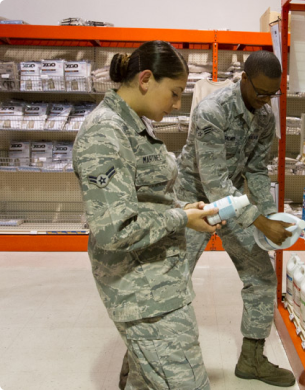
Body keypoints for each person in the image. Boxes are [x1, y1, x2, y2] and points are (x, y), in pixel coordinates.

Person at [73, 40, 221, 390]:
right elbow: (115, 227)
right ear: (145, 79)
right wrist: (181, 219)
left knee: (147, 381)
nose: (176, 103)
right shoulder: (105, 132)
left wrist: (181, 209)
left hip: (159, 280)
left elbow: (145, 196)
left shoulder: (135, 123)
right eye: (174, 92)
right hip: (141, 292)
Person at [175, 50, 296, 387]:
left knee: (262, 278)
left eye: (272, 94)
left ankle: (252, 360)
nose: (264, 101)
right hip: (194, 202)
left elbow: (256, 170)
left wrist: (271, 215)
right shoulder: (211, 111)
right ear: (243, 79)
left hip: (235, 204)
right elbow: (214, 185)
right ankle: (141, 362)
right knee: (168, 284)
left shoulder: (264, 115)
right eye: (259, 92)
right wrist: (259, 220)